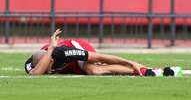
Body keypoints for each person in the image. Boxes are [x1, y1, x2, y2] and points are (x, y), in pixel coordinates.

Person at [24, 29, 180, 76]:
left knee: (94, 69)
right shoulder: (31, 64)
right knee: (90, 70)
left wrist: (131, 62)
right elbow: (34, 74)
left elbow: (100, 56)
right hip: (68, 63)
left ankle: (147, 71)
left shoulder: (62, 53)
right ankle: (145, 71)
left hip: (78, 49)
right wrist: (50, 48)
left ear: (51, 60)